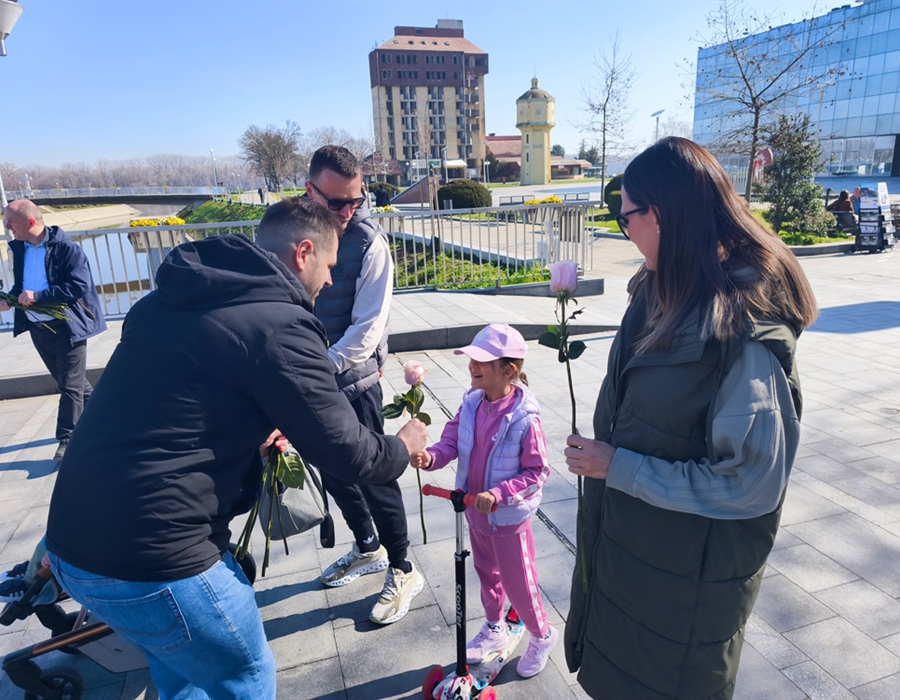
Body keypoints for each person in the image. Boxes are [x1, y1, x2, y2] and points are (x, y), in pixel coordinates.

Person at [43, 197, 428, 700]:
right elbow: (348, 452)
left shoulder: (164, 303)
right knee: (243, 678)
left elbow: (176, 410)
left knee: (182, 673)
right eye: (329, 267)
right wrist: (402, 443)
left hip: (72, 548)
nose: (331, 281)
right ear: (303, 252)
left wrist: (249, 429)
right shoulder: (279, 324)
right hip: (157, 558)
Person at [563, 137, 817, 699]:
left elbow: (750, 485)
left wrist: (619, 466)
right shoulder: (660, 288)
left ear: (659, 214)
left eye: (625, 215)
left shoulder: (744, 332)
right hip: (636, 566)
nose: (623, 228)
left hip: (683, 601)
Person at [304, 145, 422, 625]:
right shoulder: (294, 232)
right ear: (309, 191)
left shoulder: (370, 243)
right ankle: (367, 545)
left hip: (353, 380)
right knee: (332, 470)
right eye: (336, 203)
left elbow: (368, 328)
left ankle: (402, 566)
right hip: (311, 381)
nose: (348, 212)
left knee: (376, 474)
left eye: (356, 200)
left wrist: (317, 369)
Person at [410, 324, 557, 678]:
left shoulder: (524, 418)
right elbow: (452, 440)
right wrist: (431, 457)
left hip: (507, 520)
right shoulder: (472, 402)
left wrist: (500, 493)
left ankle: (542, 635)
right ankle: (494, 628)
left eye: (482, 361)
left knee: (519, 583)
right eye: (471, 358)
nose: (472, 365)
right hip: (475, 513)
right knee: (486, 576)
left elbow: (538, 471)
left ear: (509, 370)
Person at [1, 199, 107, 461]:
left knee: (70, 386)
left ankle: (68, 441)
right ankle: (106, 419)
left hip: (68, 326)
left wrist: (38, 296)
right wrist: (10, 300)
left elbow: (78, 286)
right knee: (72, 383)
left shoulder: (67, 249)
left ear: (31, 222)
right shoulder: (19, 249)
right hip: (39, 326)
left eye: (10, 222)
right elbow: (23, 285)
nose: (6, 226)